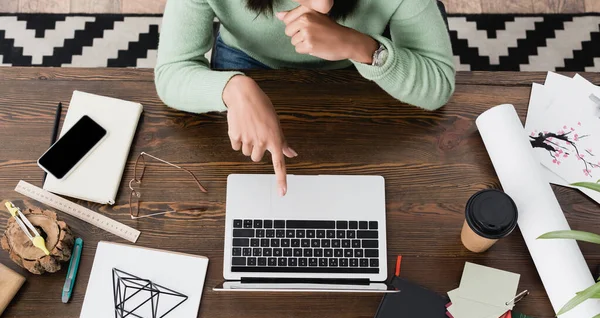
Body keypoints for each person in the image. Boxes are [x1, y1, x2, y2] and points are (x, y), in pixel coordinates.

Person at [155, 0, 455, 196]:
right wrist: (232, 88)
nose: (324, 5)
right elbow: (171, 71)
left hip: (358, 67)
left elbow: (438, 84)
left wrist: (360, 46)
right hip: (245, 58)